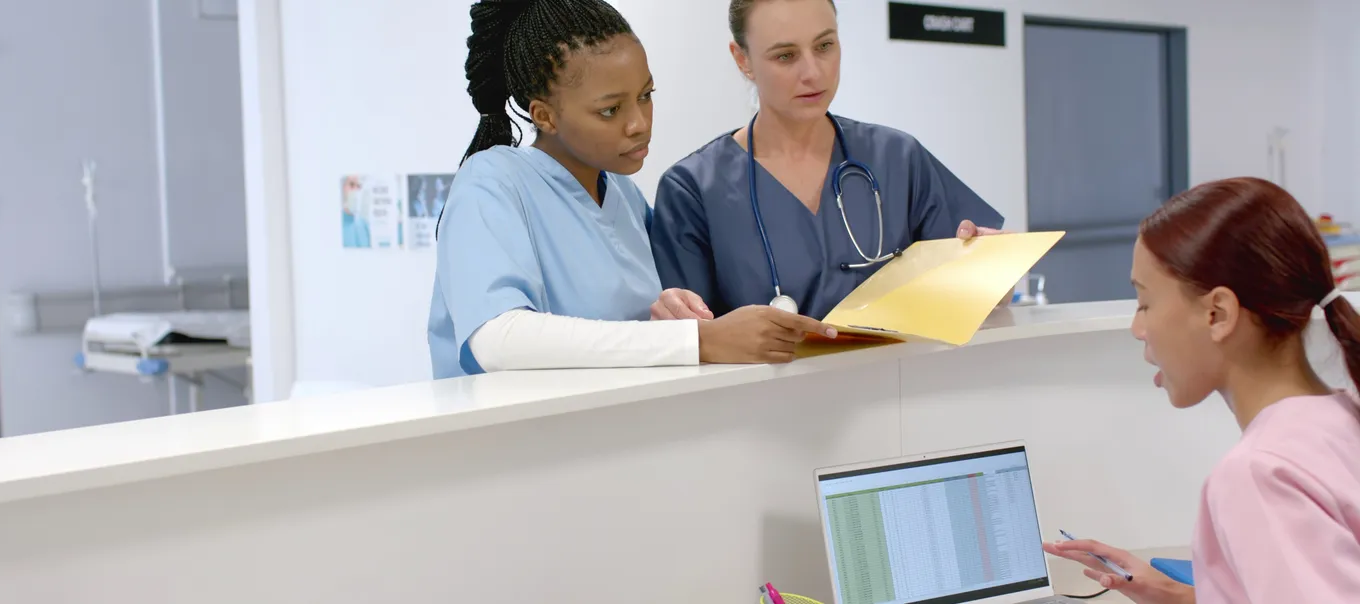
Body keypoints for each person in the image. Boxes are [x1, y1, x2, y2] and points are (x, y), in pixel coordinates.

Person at [428, 0, 836, 379]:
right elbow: (498, 340)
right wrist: (699, 341)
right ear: (544, 115)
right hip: (517, 450)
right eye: (610, 110)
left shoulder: (622, 192)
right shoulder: (491, 182)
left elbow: (640, 328)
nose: (639, 123)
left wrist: (674, 308)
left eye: (646, 96)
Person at [1043, 177, 1360, 603]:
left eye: (1144, 303)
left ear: (1217, 314)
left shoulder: (1260, 474)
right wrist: (1179, 593)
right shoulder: (1342, 416)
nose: (1138, 329)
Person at [648, 0, 1006, 320]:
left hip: (899, 386)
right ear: (743, 59)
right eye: (785, 55)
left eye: (824, 46)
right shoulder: (693, 189)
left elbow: (972, 289)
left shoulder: (897, 157)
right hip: (768, 393)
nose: (813, 72)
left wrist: (993, 270)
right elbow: (693, 339)